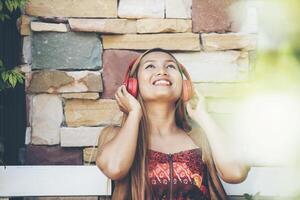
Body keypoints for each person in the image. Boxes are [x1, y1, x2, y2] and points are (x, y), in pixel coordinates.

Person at [96, 48, 250, 200]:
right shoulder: (115, 136)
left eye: (170, 66)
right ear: (133, 85)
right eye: (150, 66)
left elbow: (236, 173)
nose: (162, 71)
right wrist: (134, 113)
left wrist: (203, 116)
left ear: (185, 86)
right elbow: (114, 168)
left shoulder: (200, 137)